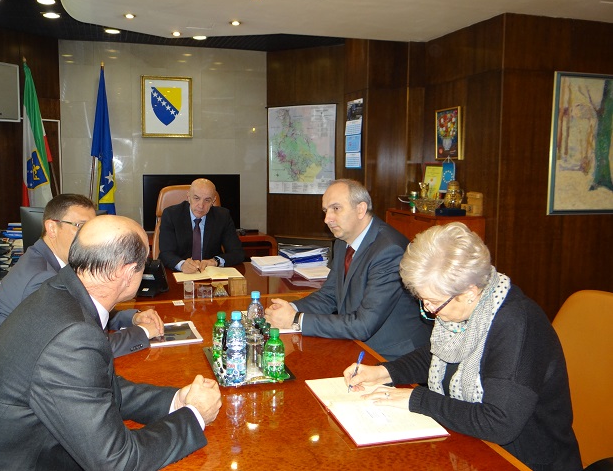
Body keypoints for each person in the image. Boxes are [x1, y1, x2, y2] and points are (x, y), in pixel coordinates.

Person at [0, 215, 222, 470]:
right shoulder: (71, 334)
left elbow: (97, 386)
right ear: (125, 272)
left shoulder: (61, 293)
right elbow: (117, 461)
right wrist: (193, 416)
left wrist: (175, 401)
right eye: (143, 264)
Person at [344, 222, 582, 471]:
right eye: (423, 300)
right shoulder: (466, 309)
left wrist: (417, 399)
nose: (428, 310)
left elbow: (499, 423)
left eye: (433, 302)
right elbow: (438, 355)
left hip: (525, 459)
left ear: (469, 292)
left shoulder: (517, 325)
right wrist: (384, 372)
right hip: (475, 447)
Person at [265, 179, 431, 360]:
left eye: (336, 208)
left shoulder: (389, 250)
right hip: (356, 344)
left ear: (360, 209)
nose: (327, 219)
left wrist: (296, 319)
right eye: (325, 211)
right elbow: (329, 296)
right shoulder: (342, 242)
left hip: (393, 356)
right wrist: (289, 309)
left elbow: (363, 325)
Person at [0, 194, 164, 357]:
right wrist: (143, 332)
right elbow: (84, 347)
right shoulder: (41, 279)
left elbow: (83, 312)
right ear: (52, 228)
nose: (90, 235)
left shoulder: (52, 261)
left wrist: (131, 318)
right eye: (81, 226)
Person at [158, 178, 245, 273]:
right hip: (180, 274)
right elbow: (165, 253)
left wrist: (215, 261)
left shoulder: (222, 216)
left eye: (207, 200)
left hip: (210, 274)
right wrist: (181, 264)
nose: (201, 205)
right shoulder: (171, 215)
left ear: (213, 201)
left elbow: (238, 253)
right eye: (196, 198)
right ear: (188, 197)